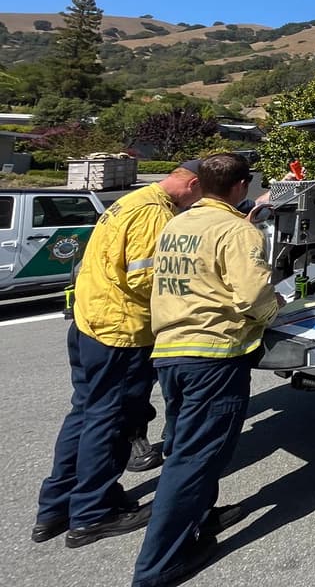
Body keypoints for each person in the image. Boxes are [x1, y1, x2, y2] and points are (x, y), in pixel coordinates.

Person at [33, 162, 203, 547]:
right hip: (121, 331)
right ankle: (94, 513)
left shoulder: (131, 201)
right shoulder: (154, 216)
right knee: (111, 420)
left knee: (86, 413)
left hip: (90, 321)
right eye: (200, 195)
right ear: (191, 184)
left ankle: (56, 506)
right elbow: (149, 279)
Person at [132, 153, 282, 587]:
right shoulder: (237, 229)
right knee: (197, 457)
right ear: (240, 188)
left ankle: (198, 518)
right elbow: (254, 294)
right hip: (213, 357)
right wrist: (277, 311)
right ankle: (160, 565)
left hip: (171, 352)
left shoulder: (176, 223)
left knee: (182, 447)